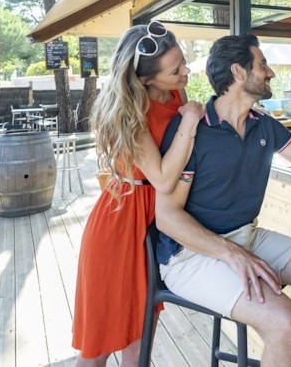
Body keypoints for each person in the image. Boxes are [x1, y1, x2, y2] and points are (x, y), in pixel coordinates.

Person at [155, 33, 291, 367]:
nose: (270, 72)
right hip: (191, 255)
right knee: (282, 319)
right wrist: (232, 254)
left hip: (246, 238)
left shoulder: (264, 125)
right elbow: (167, 217)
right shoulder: (192, 129)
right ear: (238, 72)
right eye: (263, 64)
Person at [73, 21, 205, 366]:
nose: (186, 72)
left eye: (183, 61)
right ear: (146, 79)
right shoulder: (129, 112)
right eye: (175, 70)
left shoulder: (175, 93)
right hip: (121, 225)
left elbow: (183, 151)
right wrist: (190, 122)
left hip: (158, 221)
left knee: (140, 341)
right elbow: (162, 178)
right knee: (98, 348)